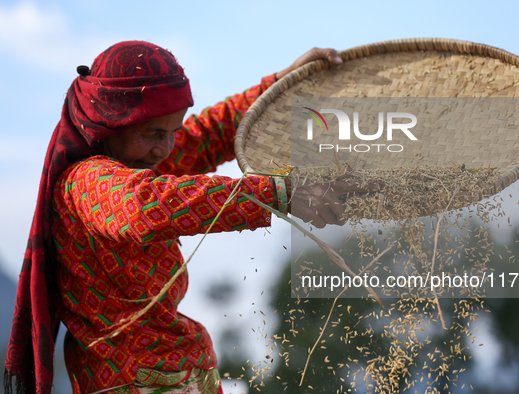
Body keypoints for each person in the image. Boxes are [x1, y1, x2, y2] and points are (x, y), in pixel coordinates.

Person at [4, 40, 367, 394]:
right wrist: (279, 192)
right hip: (133, 380)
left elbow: (210, 133)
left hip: (180, 369)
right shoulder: (85, 183)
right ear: (110, 123)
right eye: (153, 133)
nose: (164, 148)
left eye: (173, 132)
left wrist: (279, 87)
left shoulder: (141, 158)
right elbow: (144, 207)